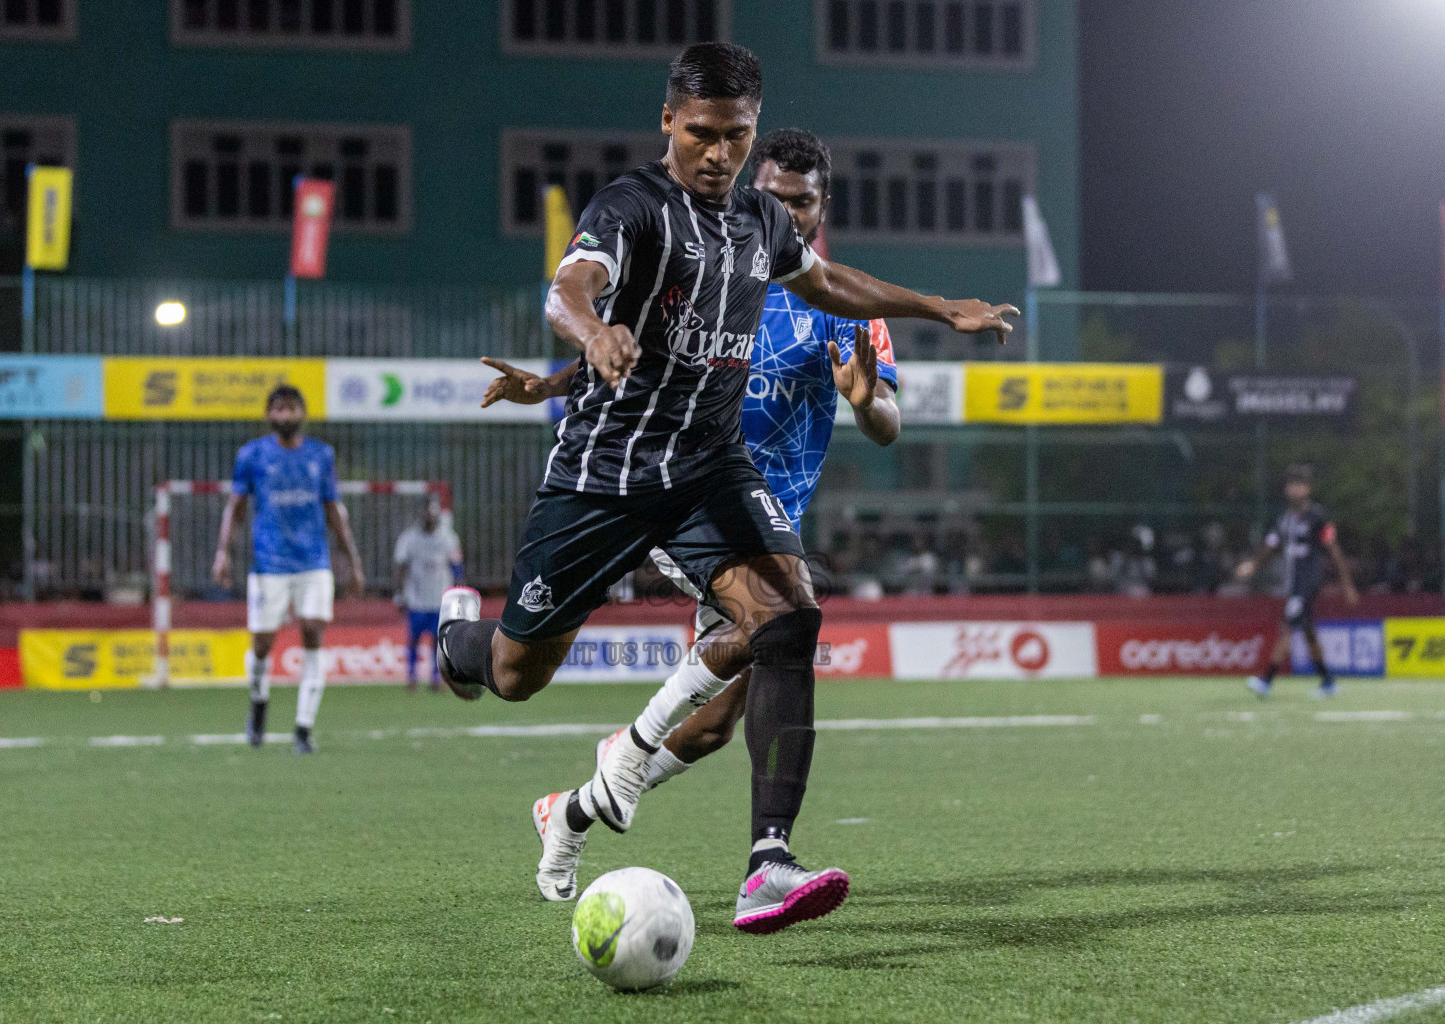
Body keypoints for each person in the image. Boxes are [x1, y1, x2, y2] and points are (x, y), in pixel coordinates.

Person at [436, 42, 1016, 933]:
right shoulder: (633, 207)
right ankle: (460, 639)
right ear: (668, 121)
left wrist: (940, 308)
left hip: (709, 470)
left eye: (734, 137)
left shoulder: (760, 221)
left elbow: (825, 282)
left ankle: (768, 862)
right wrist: (590, 334)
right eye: (701, 133)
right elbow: (570, 286)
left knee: (788, 616)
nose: (718, 153)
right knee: (517, 674)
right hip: (609, 475)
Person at [480, 128, 903, 901]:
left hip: (766, 517)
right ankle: (750, 848)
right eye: (773, 199)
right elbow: (638, 346)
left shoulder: (841, 306)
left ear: (822, 205)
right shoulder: (719, 257)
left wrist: (866, 399)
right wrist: (554, 384)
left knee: (713, 728)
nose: (788, 213)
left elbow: (886, 425)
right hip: (691, 499)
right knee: (769, 626)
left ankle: (576, 807)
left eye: (802, 203)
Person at [212, 385, 365, 754]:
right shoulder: (252, 455)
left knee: (313, 631)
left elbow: (333, 509)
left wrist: (352, 560)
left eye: (292, 408)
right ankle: (259, 704)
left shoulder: (321, 455)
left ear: (303, 413)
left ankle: (302, 729)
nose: (285, 415)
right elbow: (235, 506)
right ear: (269, 415)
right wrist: (223, 552)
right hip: (269, 564)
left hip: (314, 561)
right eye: (279, 409)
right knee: (262, 644)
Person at [1236, 463, 1359, 698]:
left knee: (1287, 627)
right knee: (1308, 631)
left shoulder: (1318, 517)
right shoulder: (1284, 519)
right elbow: (1271, 545)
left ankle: (1266, 680)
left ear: (1307, 489)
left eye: (1299, 485)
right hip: (1293, 584)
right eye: (1291, 485)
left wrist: (1348, 585)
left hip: (1307, 583)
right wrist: (1252, 564)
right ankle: (1328, 682)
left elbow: (1333, 550)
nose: (1294, 490)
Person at [392, 496, 463, 691]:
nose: (430, 517)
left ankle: (435, 678)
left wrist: (458, 595)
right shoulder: (409, 538)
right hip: (416, 598)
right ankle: (412, 677)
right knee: (414, 638)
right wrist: (399, 595)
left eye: (433, 512)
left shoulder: (449, 538)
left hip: (440, 597)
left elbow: (456, 568)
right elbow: (400, 567)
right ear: (420, 514)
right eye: (426, 512)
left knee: (437, 640)